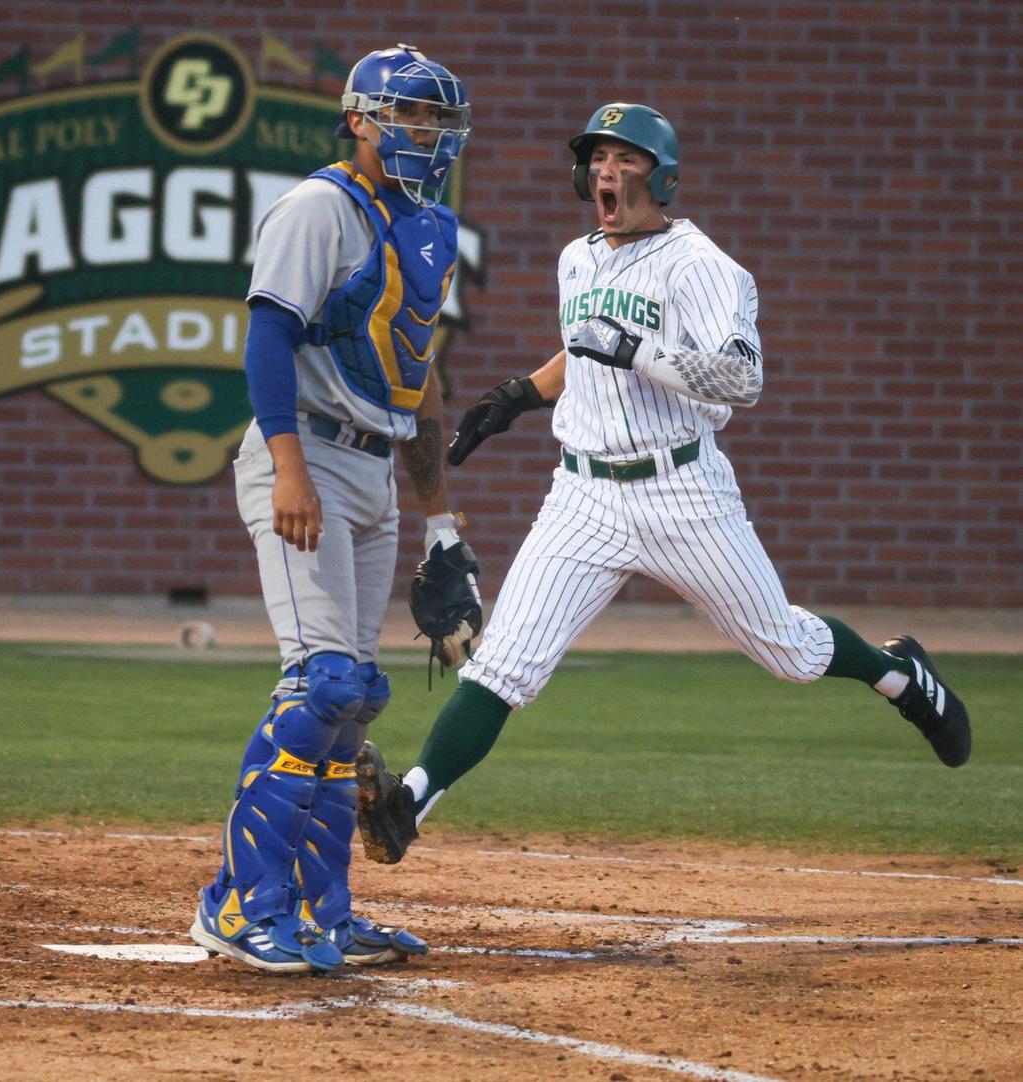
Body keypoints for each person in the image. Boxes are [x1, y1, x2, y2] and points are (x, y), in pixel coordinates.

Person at [355, 102, 972, 867]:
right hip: (583, 495)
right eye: (598, 158)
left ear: (662, 174)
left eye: (626, 158)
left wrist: (635, 350)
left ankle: (900, 675)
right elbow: (585, 349)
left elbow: (742, 378)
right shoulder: (577, 257)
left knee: (787, 649)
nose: (607, 171)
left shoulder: (704, 267)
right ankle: (409, 805)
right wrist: (517, 394)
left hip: (682, 491)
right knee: (504, 664)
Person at [189, 44, 477, 974]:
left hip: (375, 471)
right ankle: (236, 905)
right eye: (408, 116)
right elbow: (267, 335)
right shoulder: (320, 207)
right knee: (323, 688)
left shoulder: (431, 228)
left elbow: (423, 385)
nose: (425, 134)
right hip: (304, 450)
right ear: (358, 118)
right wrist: (285, 466)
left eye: (435, 120)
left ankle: (322, 913)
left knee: (355, 703)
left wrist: (443, 527)